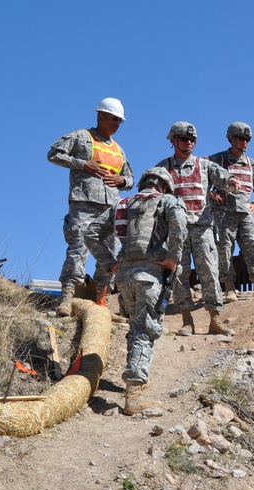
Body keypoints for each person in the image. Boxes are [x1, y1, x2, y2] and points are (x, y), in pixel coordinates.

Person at [84, 168, 187, 415]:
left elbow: (91, 233)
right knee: (144, 329)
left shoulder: (121, 204)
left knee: (135, 326)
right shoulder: (168, 201)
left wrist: (111, 263)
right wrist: (173, 258)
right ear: (164, 186)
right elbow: (180, 224)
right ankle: (133, 395)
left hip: (124, 276)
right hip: (150, 274)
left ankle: (135, 382)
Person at [47, 97, 134, 317]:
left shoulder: (118, 149)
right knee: (78, 248)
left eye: (119, 121)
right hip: (83, 204)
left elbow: (130, 178)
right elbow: (54, 154)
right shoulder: (81, 137)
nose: (116, 124)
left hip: (110, 209)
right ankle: (67, 298)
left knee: (109, 254)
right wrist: (82, 164)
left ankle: (101, 302)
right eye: (113, 119)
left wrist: (121, 181)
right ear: (100, 116)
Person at [157, 122, 238, 336]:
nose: (189, 142)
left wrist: (231, 181)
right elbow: (153, 193)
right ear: (173, 140)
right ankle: (186, 321)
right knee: (179, 274)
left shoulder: (205, 165)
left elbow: (224, 177)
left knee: (210, 272)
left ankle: (215, 320)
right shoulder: (163, 168)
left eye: (192, 139)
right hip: (176, 230)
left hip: (203, 228)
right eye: (184, 138)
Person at [206, 122, 254, 301]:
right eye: (241, 138)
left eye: (247, 139)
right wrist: (211, 194)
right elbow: (198, 177)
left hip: (246, 213)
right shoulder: (217, 159)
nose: (245, 142)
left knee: (253, 245)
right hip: (223, 213)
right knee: (225, 249)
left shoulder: (250, 163)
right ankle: (229, 287)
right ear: (231, 139)